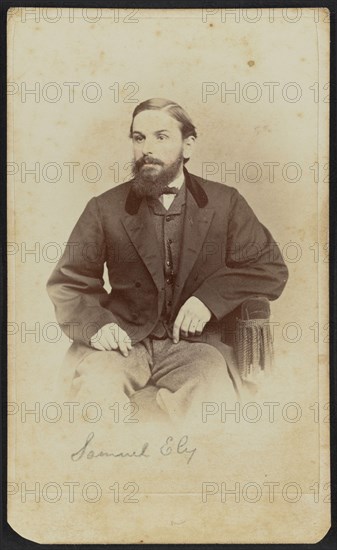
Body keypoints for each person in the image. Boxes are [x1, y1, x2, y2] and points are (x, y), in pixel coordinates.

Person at [47, 98, 288, 422]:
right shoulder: (104, 208)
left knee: (210, 391)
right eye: (139, 138)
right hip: (124, 341)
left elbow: (269, 267)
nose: (147, 148)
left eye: (161, 137)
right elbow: (69, 281)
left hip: (197, 345)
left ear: (187, 145)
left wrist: (208, 300)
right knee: (96, 386)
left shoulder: (225, 202)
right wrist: (96, 325)